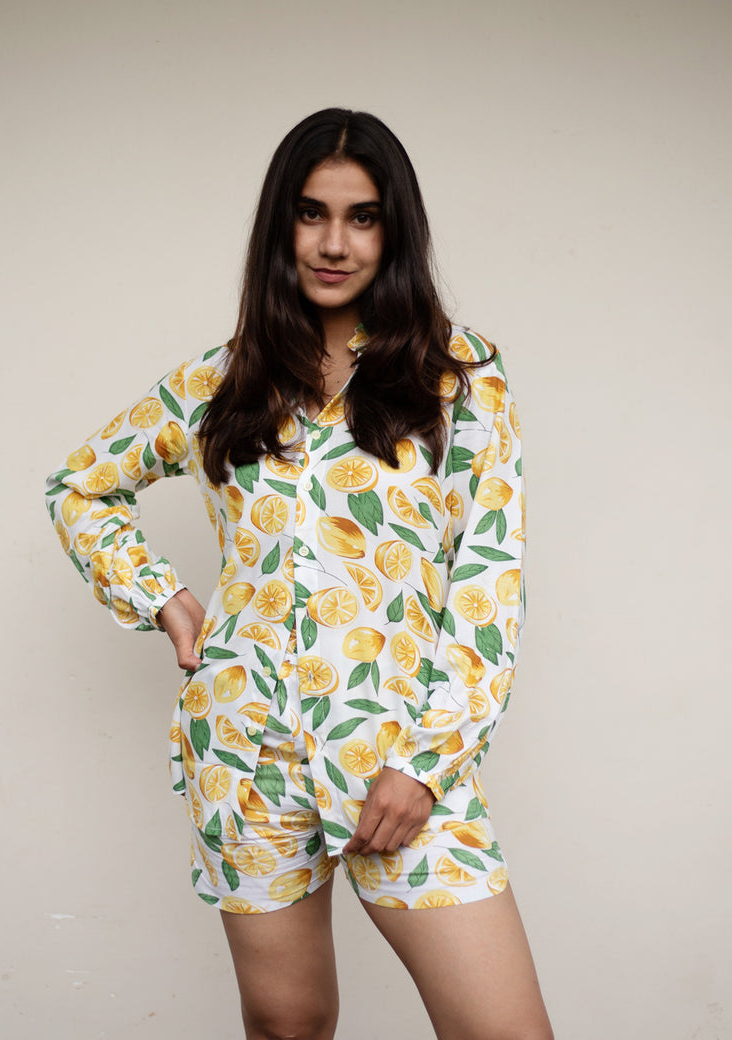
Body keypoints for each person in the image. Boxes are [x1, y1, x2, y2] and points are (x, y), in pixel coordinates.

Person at [45, 108, 553, 1040]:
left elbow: (489, 578)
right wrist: (164, 599)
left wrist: (426, 767)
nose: (333, 243)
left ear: (395, 231)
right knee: (289, 1025)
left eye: (363, 217)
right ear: (281, 224)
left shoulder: (459, 376)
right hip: (245, 754)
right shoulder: (222, 381)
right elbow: (82, 487)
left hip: (397, 754)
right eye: (311, 213)